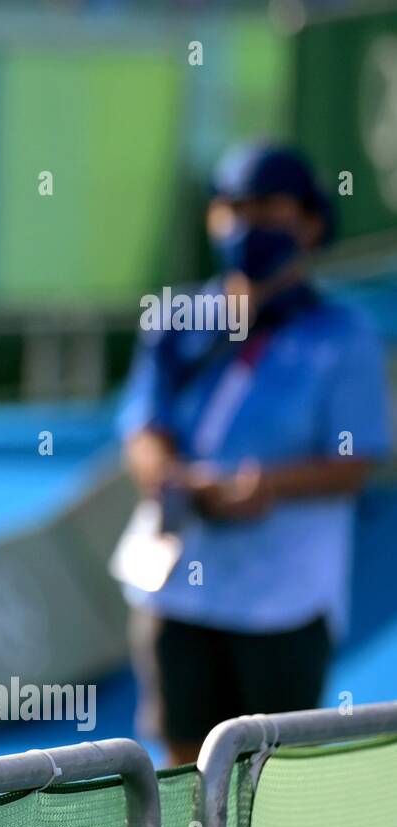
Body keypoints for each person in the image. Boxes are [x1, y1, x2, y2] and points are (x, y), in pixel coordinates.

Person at [117, 142, 392, 766]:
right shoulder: (177, 317)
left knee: (272, 774)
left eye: (267, 207)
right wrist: (169, 477)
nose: (246, 224)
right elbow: (142, 426)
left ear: (311, 221)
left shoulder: (342, 336)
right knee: (183, 770)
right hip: (178, 587)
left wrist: (264, 487)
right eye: (233, 207)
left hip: (284, 597)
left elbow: (354, 462)